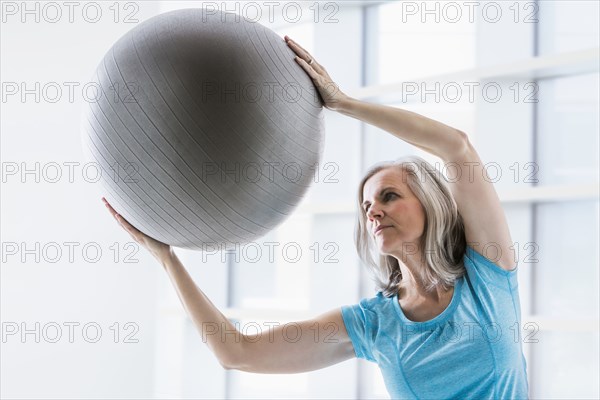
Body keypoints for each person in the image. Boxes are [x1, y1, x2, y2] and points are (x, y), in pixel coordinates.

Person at [102, 36, 529, 399]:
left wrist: (342, 103)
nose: (373, 211)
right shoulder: (374, 323)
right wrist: (167, 258)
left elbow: (458, 148)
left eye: (390, 196)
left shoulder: (486, 274)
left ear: (428, 204)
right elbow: (237, 353)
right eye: (366, 206)